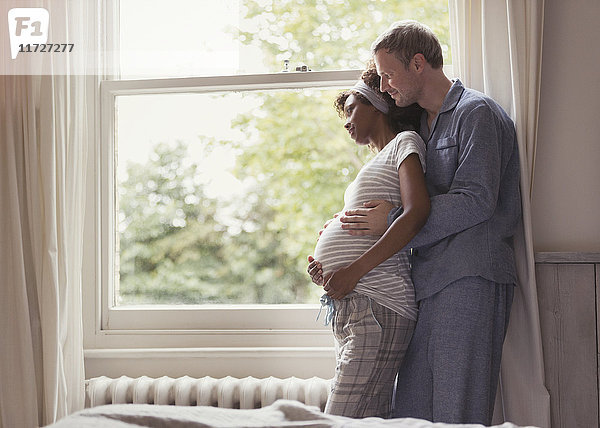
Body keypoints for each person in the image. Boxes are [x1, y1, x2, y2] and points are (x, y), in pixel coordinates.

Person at [308, 20, 521, 425]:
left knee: (456, 411)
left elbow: (476, 201)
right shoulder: (422, 127)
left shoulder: (476, 113)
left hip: (467, 277)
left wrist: (389, 218)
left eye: (388, 75)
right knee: (412, 414)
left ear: (418, 64)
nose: (385, 87)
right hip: (425, 283)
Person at [311, 62, 430, 419]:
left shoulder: (404, 144)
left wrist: (351, 269)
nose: (346, 121)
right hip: (354, 307)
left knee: (339, 419)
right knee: (365, 419)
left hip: (378, 305)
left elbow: (417, 212)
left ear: (377, 104)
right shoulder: (373, 165)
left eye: (350, 110)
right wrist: (328, 267)